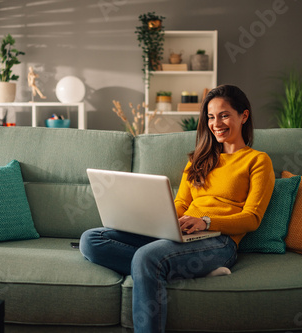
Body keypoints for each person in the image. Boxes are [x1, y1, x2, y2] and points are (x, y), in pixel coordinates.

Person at [80, 84, 275, 332]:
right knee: (91, 239)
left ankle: (162, 268)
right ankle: (189, 271)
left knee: (146, 257)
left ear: (243, 116)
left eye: (224, 115)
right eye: (211, 117)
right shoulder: (198, 159)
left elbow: (252, 218)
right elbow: (181, 204)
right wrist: (156, 220)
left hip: (219, 241)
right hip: (181, 231)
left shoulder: (258, 160)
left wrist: (205, 222)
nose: (217, 123)